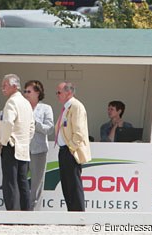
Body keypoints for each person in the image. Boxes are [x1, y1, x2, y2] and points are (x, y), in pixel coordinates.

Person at [0, 74, 35, 211]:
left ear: (14, 86)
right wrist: (24, 140)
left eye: (5, 85)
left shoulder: (12, 102)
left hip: (11, 145)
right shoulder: (26, 103)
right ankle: (25, 213)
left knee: (10, 182)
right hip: (23, 147)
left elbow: (8, 122)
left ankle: (12, 213)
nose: (2, 88)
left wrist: (5, 141)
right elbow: (31, 127)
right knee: (22, 182)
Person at [55, 82, 91, 211]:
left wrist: (71, 148)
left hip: (70, 150)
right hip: (64, 150)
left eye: (59, 92)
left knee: (74, 184)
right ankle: (72, 212)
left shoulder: (76, 106)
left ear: (68, 92)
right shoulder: (67, 107)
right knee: (66, 184)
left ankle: (78, 213)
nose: (57, 95)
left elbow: (79, 132)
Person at [23, 80, 54, 210]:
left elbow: (49, 128)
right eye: (24, 91)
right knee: (21, 181)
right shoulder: (22, 106)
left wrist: (34, 123)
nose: (25, 94)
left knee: (36, 183)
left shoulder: (46, 108)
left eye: (28, 91)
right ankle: (20, 209)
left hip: (39, 150)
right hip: (22, 149)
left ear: (37, 92)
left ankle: (34, 211)